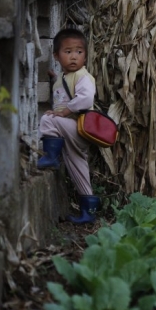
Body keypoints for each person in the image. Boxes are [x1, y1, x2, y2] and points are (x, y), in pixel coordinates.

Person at [36, 28, 101, 225]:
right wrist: (55, 78)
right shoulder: (65, 78)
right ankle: (88, 212)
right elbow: (64, 91)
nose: (74, 57)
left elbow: (86, 98)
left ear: (85, 56)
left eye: (79, 52)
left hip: (77, 126)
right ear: (56, 55)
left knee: (48, 119)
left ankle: (51, 157)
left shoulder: (83, 76)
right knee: (78, 168)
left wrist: (64, 112)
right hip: (74, 130)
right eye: (68, 52)